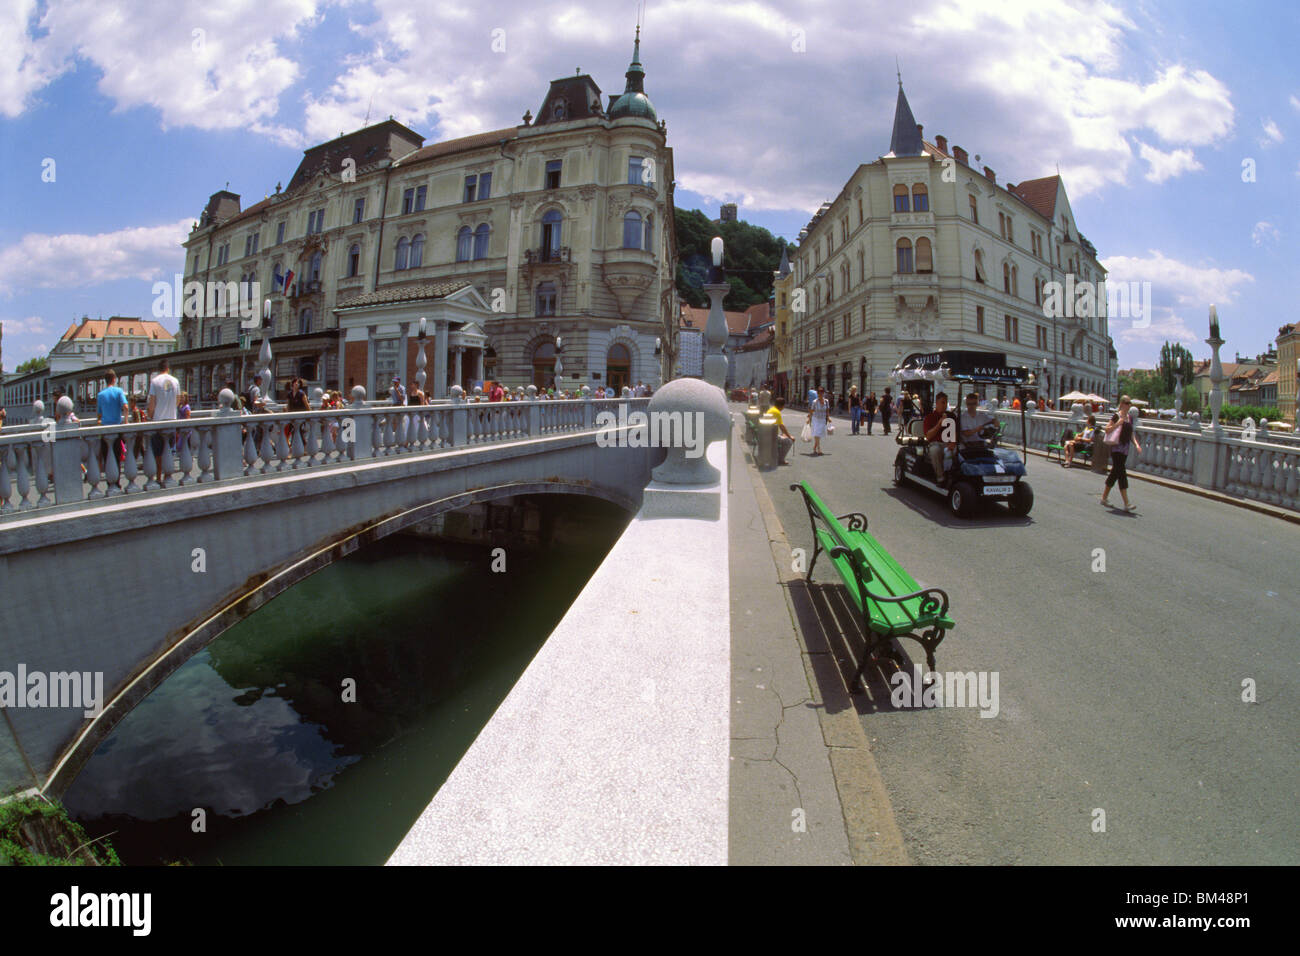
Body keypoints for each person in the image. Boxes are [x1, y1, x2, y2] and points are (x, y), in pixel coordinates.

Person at [1101, 397, 1141, 511]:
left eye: (1130, 403)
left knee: (1115, 473)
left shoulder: (1130, 418)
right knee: (1121, 472)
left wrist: (1137, 445)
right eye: (1127, 403)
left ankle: (1104, 498)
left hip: (1125, 449)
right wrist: (1118, 424)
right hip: (1116, 448)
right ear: (1122, 404)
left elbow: (1131, 434)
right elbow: (1107, 430)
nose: (1129, 405)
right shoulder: (1116, 416)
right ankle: (1126, 503)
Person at [146, 356, 180, 485]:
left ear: (158, 369)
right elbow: (178, 399)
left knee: (158, 452)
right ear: (168, 368)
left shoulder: (155, 382)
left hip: (158, 421)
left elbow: (152, 403)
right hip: (172, 420)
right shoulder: (175, 381)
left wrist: (150, 416)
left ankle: (159, 476)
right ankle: (168, 475)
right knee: (169, 450)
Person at [95, 369, 128, 472]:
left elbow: (99, 415)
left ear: (105, 380)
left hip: (105, 430)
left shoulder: (100, 395)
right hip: (117, 429)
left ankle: (110, 482)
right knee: (117, 456)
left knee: (107, 456)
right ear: (114, 379)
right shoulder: (119, 391)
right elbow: (126, 407)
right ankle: (117, 481)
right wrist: (126, 421)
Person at [923, 391, 956, 486]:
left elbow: (955, 430)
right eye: (942, 402)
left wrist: (953, 442)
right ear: (936, 403)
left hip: (949, 443)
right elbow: (928, 436)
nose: (945, 405)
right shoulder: (930, 417)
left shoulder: (951, 416)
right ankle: (940, 478)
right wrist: (939, 424)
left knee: (960, 450)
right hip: (936, 443)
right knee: (935, 450)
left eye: (946, 402)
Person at [768, 397, 795, 465]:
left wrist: (783, 434)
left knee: (783, 438)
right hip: (771, 436)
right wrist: (789, 436)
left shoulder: (771, 410)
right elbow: (782, 426)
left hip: (766, 434)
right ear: (782, 406)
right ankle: (780, 459)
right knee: (788, 441)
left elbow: (780, 426)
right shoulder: (777, 412)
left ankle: (776, 456)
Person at [808, 387, 830, 455]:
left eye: (822, 392)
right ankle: (819, 448)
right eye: (819, 393)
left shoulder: (826, 401)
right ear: (817, 393)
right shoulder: (815, 402)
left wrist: (828, 417)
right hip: (816, 419)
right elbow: (811, 410)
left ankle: (814, 447)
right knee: (817, 433)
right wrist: (809, 419)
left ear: (823, 393)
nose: (820, 394)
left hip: (823, 419)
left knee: (819, 434)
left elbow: (827, 410)